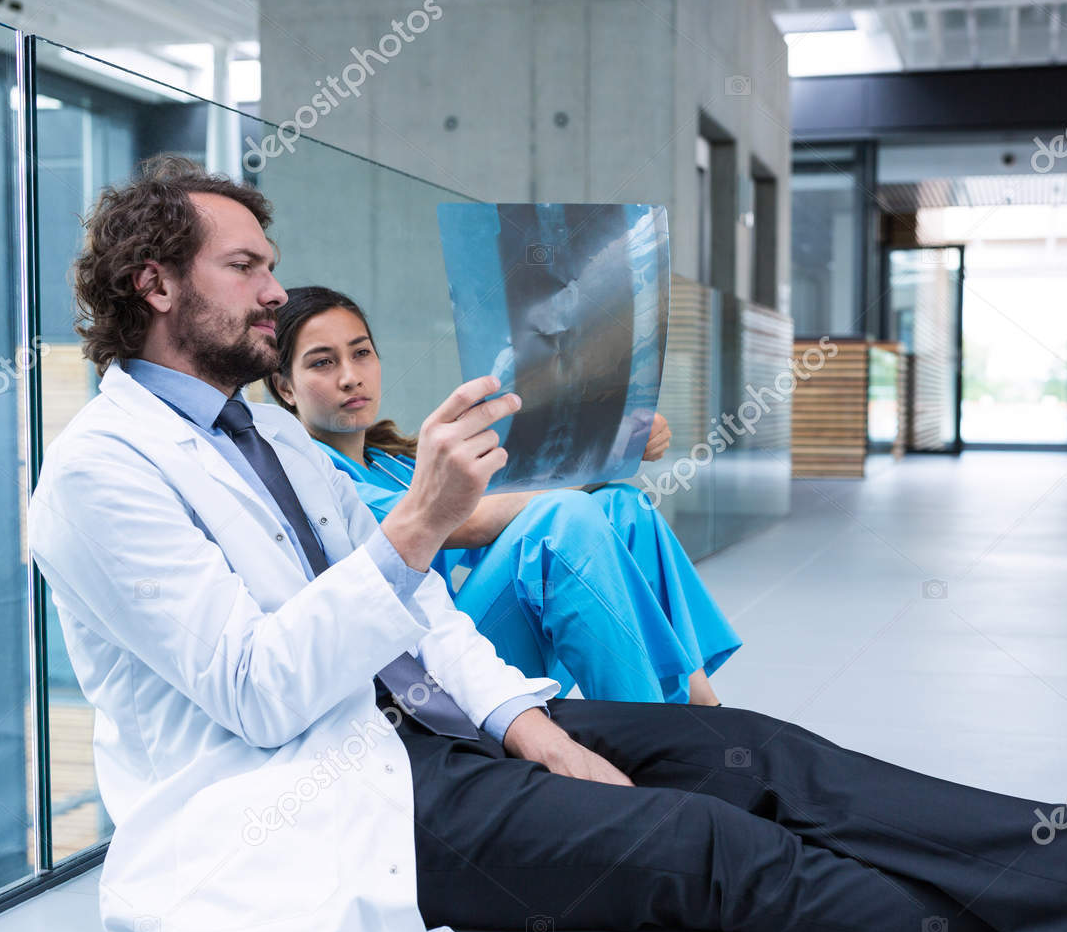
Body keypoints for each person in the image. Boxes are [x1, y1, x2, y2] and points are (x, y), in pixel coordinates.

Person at [28, 155, 1067, 932]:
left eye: (269, 264)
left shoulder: (264, 435)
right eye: (248, 267)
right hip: (304, 806)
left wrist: (533, 727)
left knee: (754, 751)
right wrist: (412, 529)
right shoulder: (97, 479)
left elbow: (429, 621)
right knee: (712, 848)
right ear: (158, 283)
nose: (275, 292)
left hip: (423, 739)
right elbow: (261, 695)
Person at [261, 285, 739, 706]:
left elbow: (518, 489)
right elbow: (471, 521)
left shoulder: (398, 463)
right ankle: (649, 731)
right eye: (323, 362)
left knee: (622, 506)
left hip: (467, 636)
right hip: (417, 676)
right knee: (564, 516)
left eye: (361, 353)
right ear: (284, 387)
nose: (350, 376)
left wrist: (621, 441)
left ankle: (696, 707)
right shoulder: (314, 475)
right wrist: (608, 456)